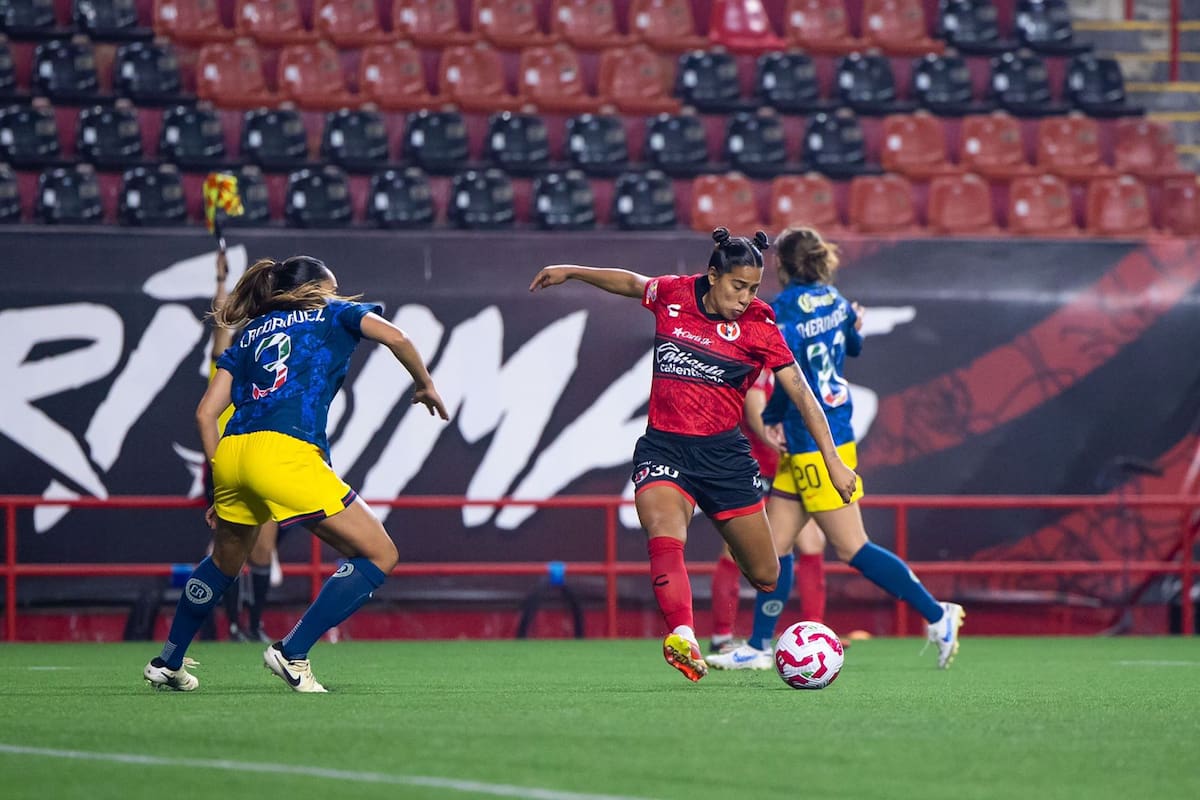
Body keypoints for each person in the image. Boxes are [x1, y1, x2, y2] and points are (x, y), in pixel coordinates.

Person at [529, 227, 858, 682]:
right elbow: (629, 282)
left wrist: (833, 461)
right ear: (712, 275)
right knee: (664, 528)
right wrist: (572, 272)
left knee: (766, 573)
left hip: (725, 457)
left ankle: (746, 628)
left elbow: (803, 396)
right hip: (665, 446)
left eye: (753, 289)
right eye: (737, 286)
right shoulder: (673, 294)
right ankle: (682, 634)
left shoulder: (761, 327)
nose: (744, 298)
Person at [144, 255, 449, 692]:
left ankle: (168, 661)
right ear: (321, 287)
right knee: (380, 554)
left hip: (232, 452)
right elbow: (397, 337)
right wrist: (424, 383)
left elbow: (205, 413)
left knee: (222, 563)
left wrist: (217, 485)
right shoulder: (333, 310)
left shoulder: (249, 334)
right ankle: (292, 651)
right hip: (285, 449)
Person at [706, 226, 965, 672]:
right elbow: (854, 344)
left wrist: (770, 417)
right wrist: (855, 326)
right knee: (777, 547)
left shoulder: (783, 310)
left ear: (782, 267)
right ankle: (758, 646)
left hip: (813, 440)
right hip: (829, 429)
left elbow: (791, 374)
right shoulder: (835, 299)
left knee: (853, 547)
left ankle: (938, 615)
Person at [708, 369, 828, 655]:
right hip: (752, 469)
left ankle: (815, 631)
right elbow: (756, 413)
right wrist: (781, 441)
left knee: (812, 542)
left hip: (783, 469)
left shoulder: (793, 365)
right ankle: (721, 635)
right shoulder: (759, 366)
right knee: (735, 550)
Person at [204, 246, 279, 644]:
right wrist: (221, 279)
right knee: (231, 549)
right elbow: (221, 326)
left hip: (260, 455)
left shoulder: (266, 364)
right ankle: (233, 625)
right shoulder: (228, 360)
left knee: (263, 547)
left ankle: (254, 624)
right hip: (225, 459)